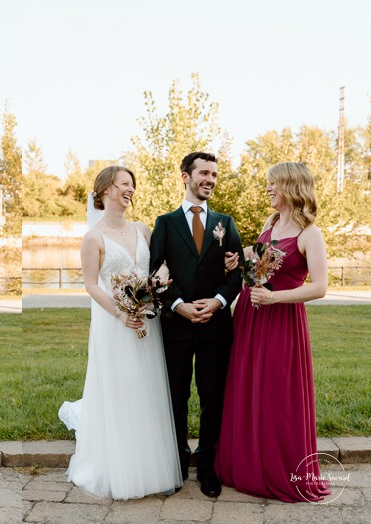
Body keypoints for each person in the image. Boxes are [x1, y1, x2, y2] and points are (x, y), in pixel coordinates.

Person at [58, 166, 182, 500]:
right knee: (120, 387)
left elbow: (160, 266)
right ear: (106, 188)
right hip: (113, 324)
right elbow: (90, 285)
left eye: (132, 185)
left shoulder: (142, 228)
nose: (131, 190)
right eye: (125, 184)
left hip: (146, 320)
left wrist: (155, 286)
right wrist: (121, 313)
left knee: (146, 387)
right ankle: (118, 467)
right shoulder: (93, 238)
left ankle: (148, 465)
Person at [215, 162, 330, 502]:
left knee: (277, 393)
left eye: (273, 183)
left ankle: (280, 468)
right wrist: (240, 261)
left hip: (282, 321)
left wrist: (275, 297)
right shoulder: (271, 222)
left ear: (292, 186)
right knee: (247, 386)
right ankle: (246, 464)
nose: (267, 189)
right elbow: (259, 263)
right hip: (251, 318)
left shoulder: (311, 233)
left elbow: (321, 287)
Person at [149, 152, 243, 497]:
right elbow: (154, 271)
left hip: (216, 327)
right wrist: (179, 304)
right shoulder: (165, 223)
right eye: (204, 172)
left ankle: (206, 467)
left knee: (212, 397)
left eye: (215, 174)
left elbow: (237, 275)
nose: (211, 179)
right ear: (185, 176)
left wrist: (218, 301)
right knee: (176, 396)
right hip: (176, 324)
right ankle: (176, 463)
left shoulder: (226, 223)